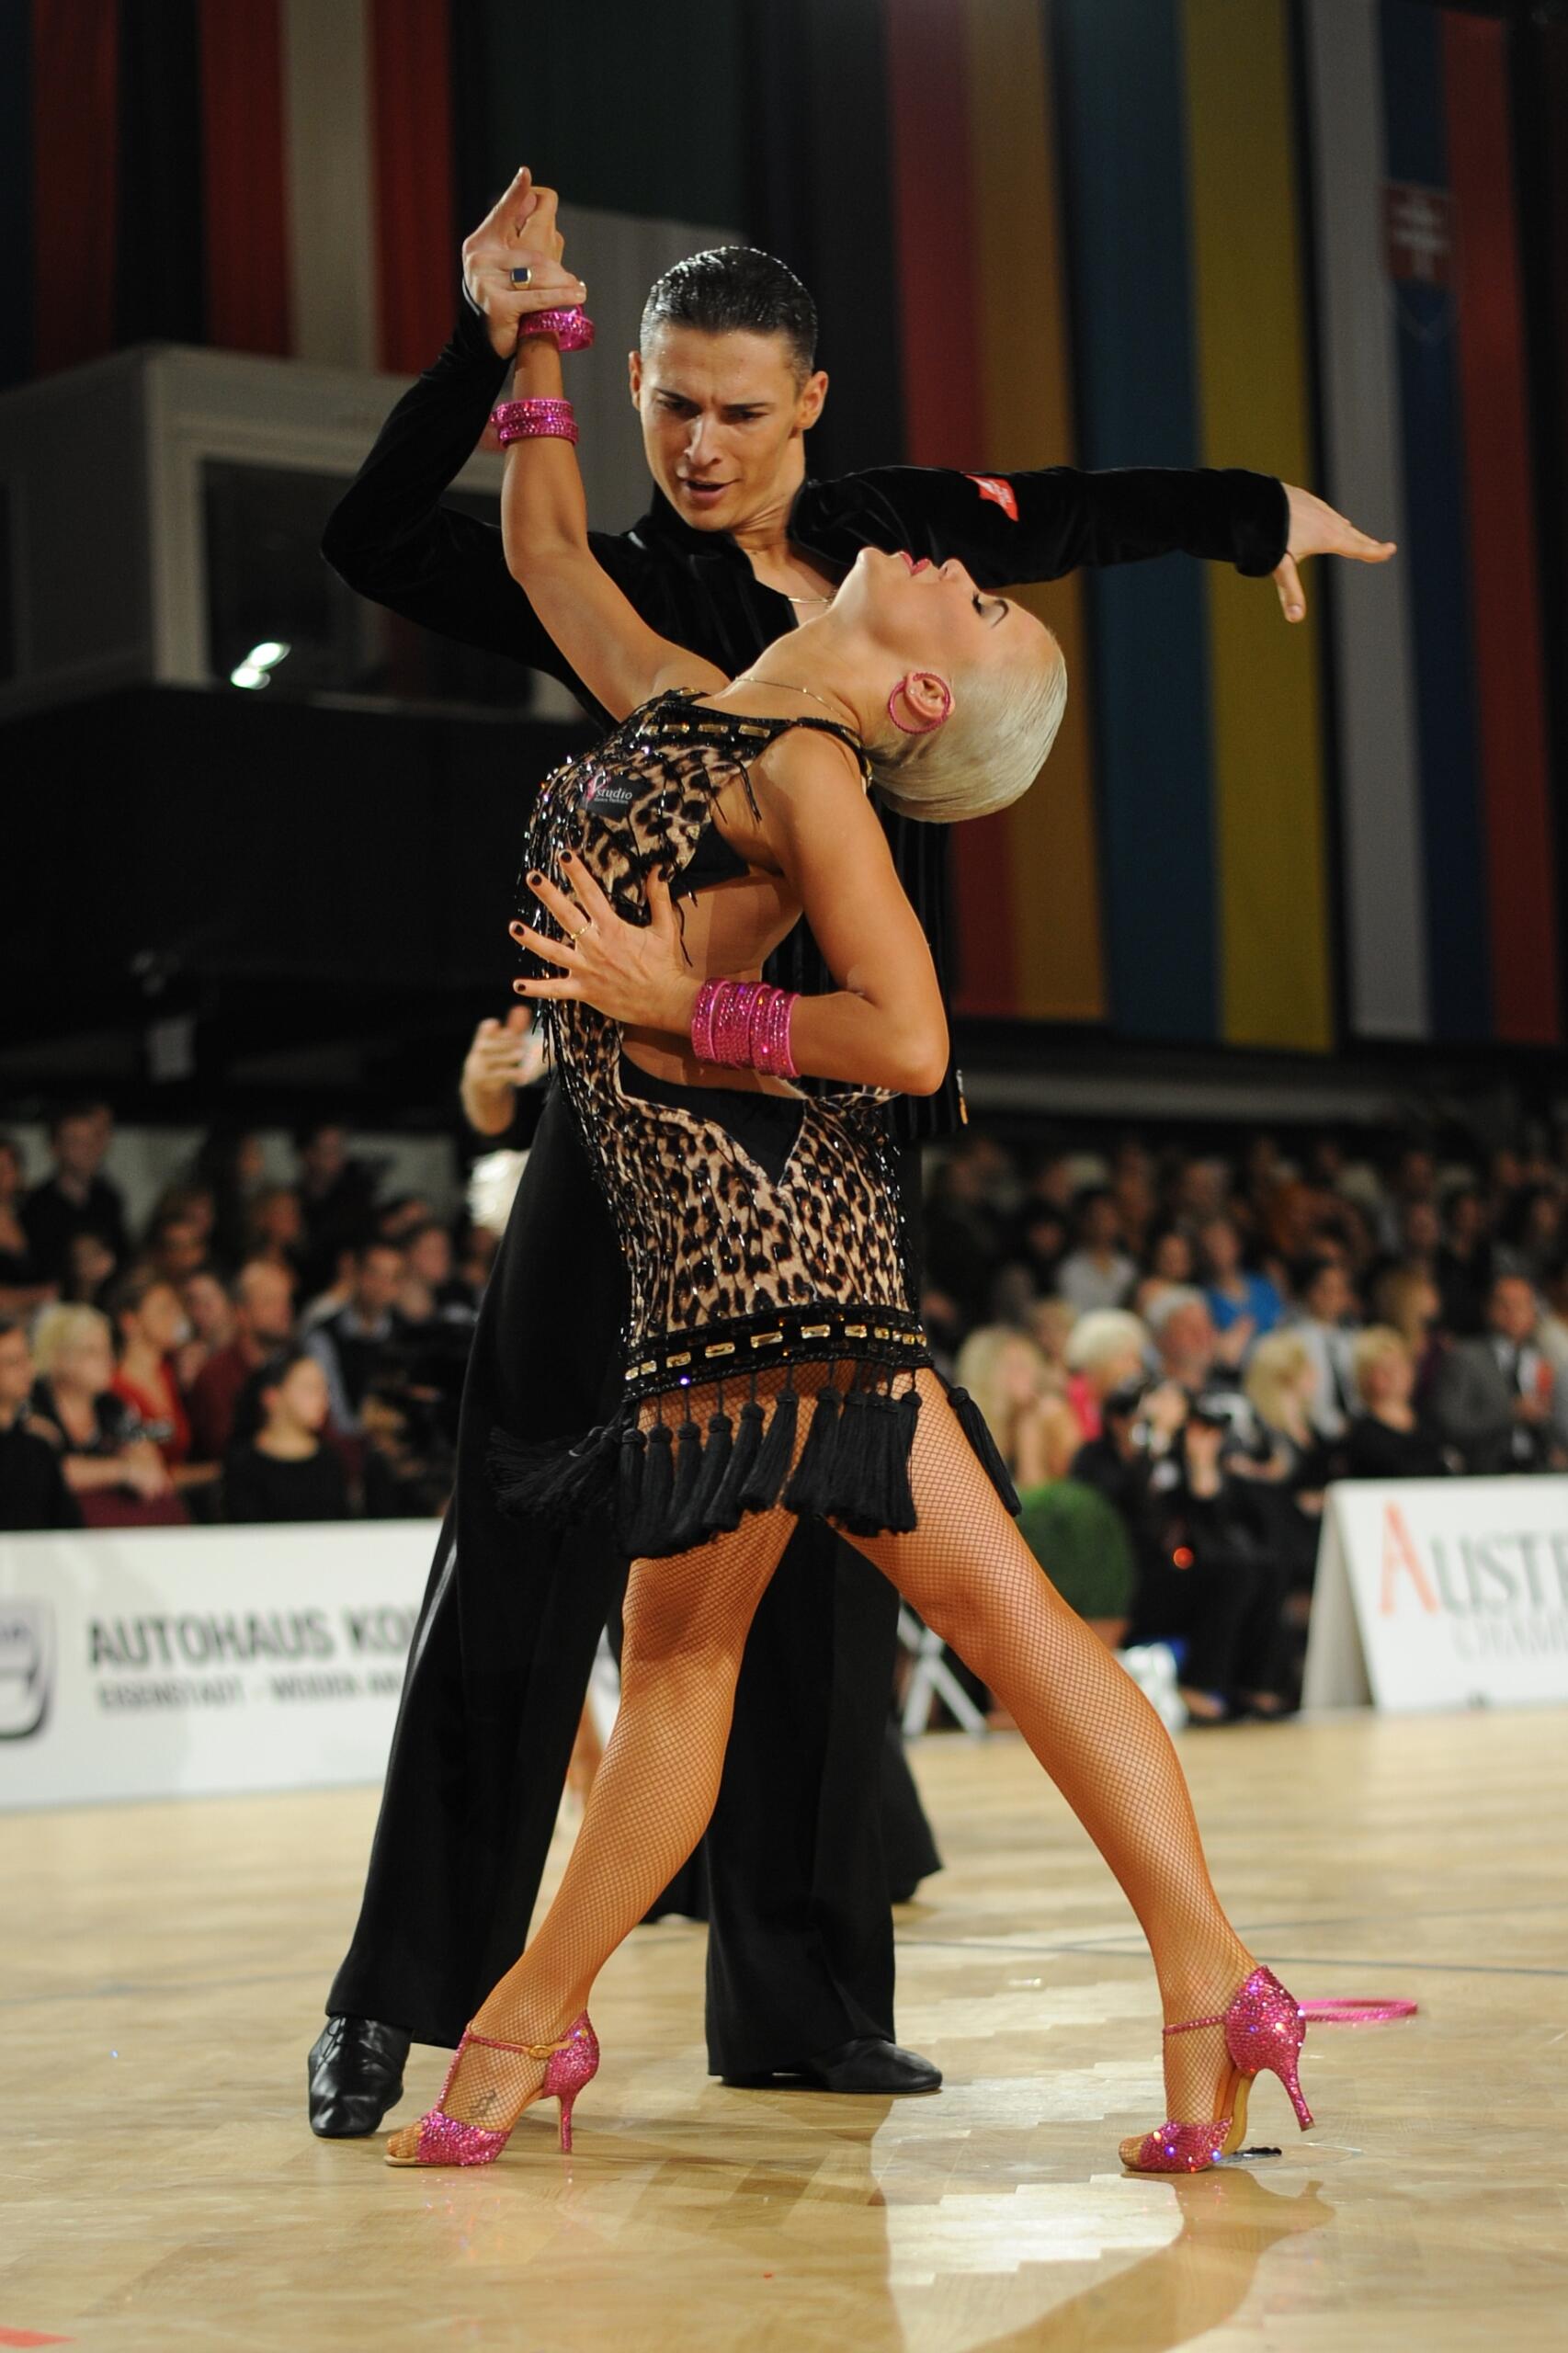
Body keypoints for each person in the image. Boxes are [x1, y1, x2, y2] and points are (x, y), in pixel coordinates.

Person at [316, 167, 1387, 2138]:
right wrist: (528, 339)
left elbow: (902, 1037)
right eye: (675, 401)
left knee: (818, 1641)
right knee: (735, 1645)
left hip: (767, 1233)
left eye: (970, 602)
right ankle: (512, 2010)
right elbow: (545, 546)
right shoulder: (699, 676)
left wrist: (663, 1001)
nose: (958, 562)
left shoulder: (811, 749)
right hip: (703, 1213)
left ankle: (585, 2018)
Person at [29, 1303, 181, 1522]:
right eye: (93, 1351)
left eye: (108, 1350)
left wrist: (139, 1462)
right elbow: (45, 1472)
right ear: (58, 1356)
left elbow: (148, 1461)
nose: (108, 1361)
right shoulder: (34, 1406)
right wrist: (121, 1471)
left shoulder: (113, 1407)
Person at [1432, 1274, 1563, 1475]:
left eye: (1520, 1305)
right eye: (1503, 1304)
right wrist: (1510, 1413)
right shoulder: (1465, 1357)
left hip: (1539, 1470)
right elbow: (1450, 1423)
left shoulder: (1541, 1360)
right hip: (1485, 1472)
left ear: (1533, 1313)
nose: (1511, 1312)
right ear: (1488, 1308)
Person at [187, 1259, 300, 1463]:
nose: (283, 1310)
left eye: (286, 1300)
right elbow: (226, 1449)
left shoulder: (298, 1364)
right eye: (270, 1302)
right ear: (242, 1313)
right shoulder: (216, 1376)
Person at [223, 1351, 350, 1523]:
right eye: (310, 1388)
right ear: (272, 1397)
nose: (324, 1399)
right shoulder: (243, 1463)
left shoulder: (330, 1460)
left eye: (324, 1389)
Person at [20, 1105, 130, 1288]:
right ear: (55, 1148)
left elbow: (123, 1255)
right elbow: (35, 1271)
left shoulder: (108, 1198)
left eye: (92, 1140)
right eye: (76, 1141)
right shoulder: (37, 1206)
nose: (87, 1150)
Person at [0, 1316, 82, 1531]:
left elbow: (68, 1523)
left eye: (27, 1357)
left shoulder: (38, 1446)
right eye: (12, 1362)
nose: (27, 1369)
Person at [1343, 1328, 1451, 1481]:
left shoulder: (1430, 1421)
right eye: (1385, 1369)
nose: (1396, 1374)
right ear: (1365, 1376)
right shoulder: (1361, 1434)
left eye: (1401, 1365)